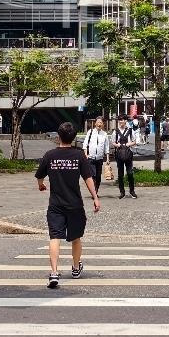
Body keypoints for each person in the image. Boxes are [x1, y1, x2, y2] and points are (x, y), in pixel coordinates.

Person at [35, 121, 100, 288]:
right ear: (74, 138)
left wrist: (41, 184)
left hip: (55, 205)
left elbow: (39, 175)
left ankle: (54, 272)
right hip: (75, 205)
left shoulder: (50, 155)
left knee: (55, 237)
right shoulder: (79, 155)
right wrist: (95, 197)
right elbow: (88, 178)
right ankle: (76, 268)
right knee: (76, 237)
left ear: (58, 137)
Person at [81, 118, 109, 194]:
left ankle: (96, 191)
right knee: (93, 175)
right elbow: (85, 144)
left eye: (101, 122)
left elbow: (106, 147)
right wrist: (86, 154)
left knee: (98, 177)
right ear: (95, 123)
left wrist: (107, 158)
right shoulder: (90, 132)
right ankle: (93, 193)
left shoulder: (105, 134)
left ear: (103, 124)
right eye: (98, 122)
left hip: (100, 158)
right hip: (91, 158)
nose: (99, 124)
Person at [112, 116, 137, 199]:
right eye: (119, 120)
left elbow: (134, 141)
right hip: (119, 155)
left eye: (122, 120)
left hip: (128, 154)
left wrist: (129, 144)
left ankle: (132, 191)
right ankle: (122, 192)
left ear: (125, 121)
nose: (120, 121)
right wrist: (117, 145)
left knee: (130, 173)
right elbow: (113, 142)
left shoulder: (130, 130)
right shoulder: (115, 131)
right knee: (120, 174)